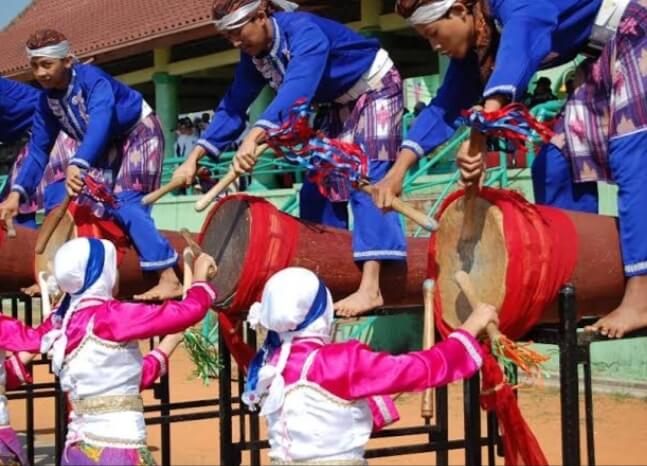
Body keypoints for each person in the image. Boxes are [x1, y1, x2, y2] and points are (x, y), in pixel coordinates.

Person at [373, 0, 645, 338]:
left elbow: (523, 38)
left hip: (637, 29)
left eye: (433, 34)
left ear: (459, 11)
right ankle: (577, 289)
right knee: (556, 163)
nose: (435, 47)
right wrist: (396, 173)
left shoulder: (511, 4)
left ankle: (642, 294)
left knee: (634, 155)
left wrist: (481, 129)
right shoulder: (479, 44)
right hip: (604, 54)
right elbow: (444, 106)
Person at [172, 0, 407, 317]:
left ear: (260, 16)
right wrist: (196, 156)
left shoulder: (304, 32)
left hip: (376, 89)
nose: (236, 43)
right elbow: (233, 104)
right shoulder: (255, 56)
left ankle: (371, 288)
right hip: (335, 105)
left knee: (366, 177)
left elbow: (296, 91)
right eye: (228, 37)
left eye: (238, 33)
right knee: (318, 187)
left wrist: (255, 137)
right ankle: (326, 279)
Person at [242, 267, 497, 464]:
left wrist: (379, 392)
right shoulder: (340, 362)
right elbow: (419, 368)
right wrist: (471, 327)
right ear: (321, 311)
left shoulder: (268, 365)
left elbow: (324, 415)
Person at [0, 237, 217, 465]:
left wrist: (171, 340)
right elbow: (188, 311)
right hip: (117, 451)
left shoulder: (64, 324)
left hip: (78, 453)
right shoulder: (109, 316)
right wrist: (200, 278)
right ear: (99, 274)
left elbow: (125, 380)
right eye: (114, 267)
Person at [2, 29, 183, 301]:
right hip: (101, 143)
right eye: (34, 66)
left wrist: (79, 162)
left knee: (126, 202)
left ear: (67, 61)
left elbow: (100, 120)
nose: (40, 73)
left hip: (138, 134)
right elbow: (39, 150)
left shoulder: (94, 80)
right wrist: (17, 193)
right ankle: (57, 277)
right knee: (68, 199)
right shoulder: (46, 100)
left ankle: (169, 277)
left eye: (46, 64)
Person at [0, 77, 77, 231]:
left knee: (56, 191)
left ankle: (62, 242)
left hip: (53, 129)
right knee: (12, 205)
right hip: (28, 138)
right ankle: (27, 246)